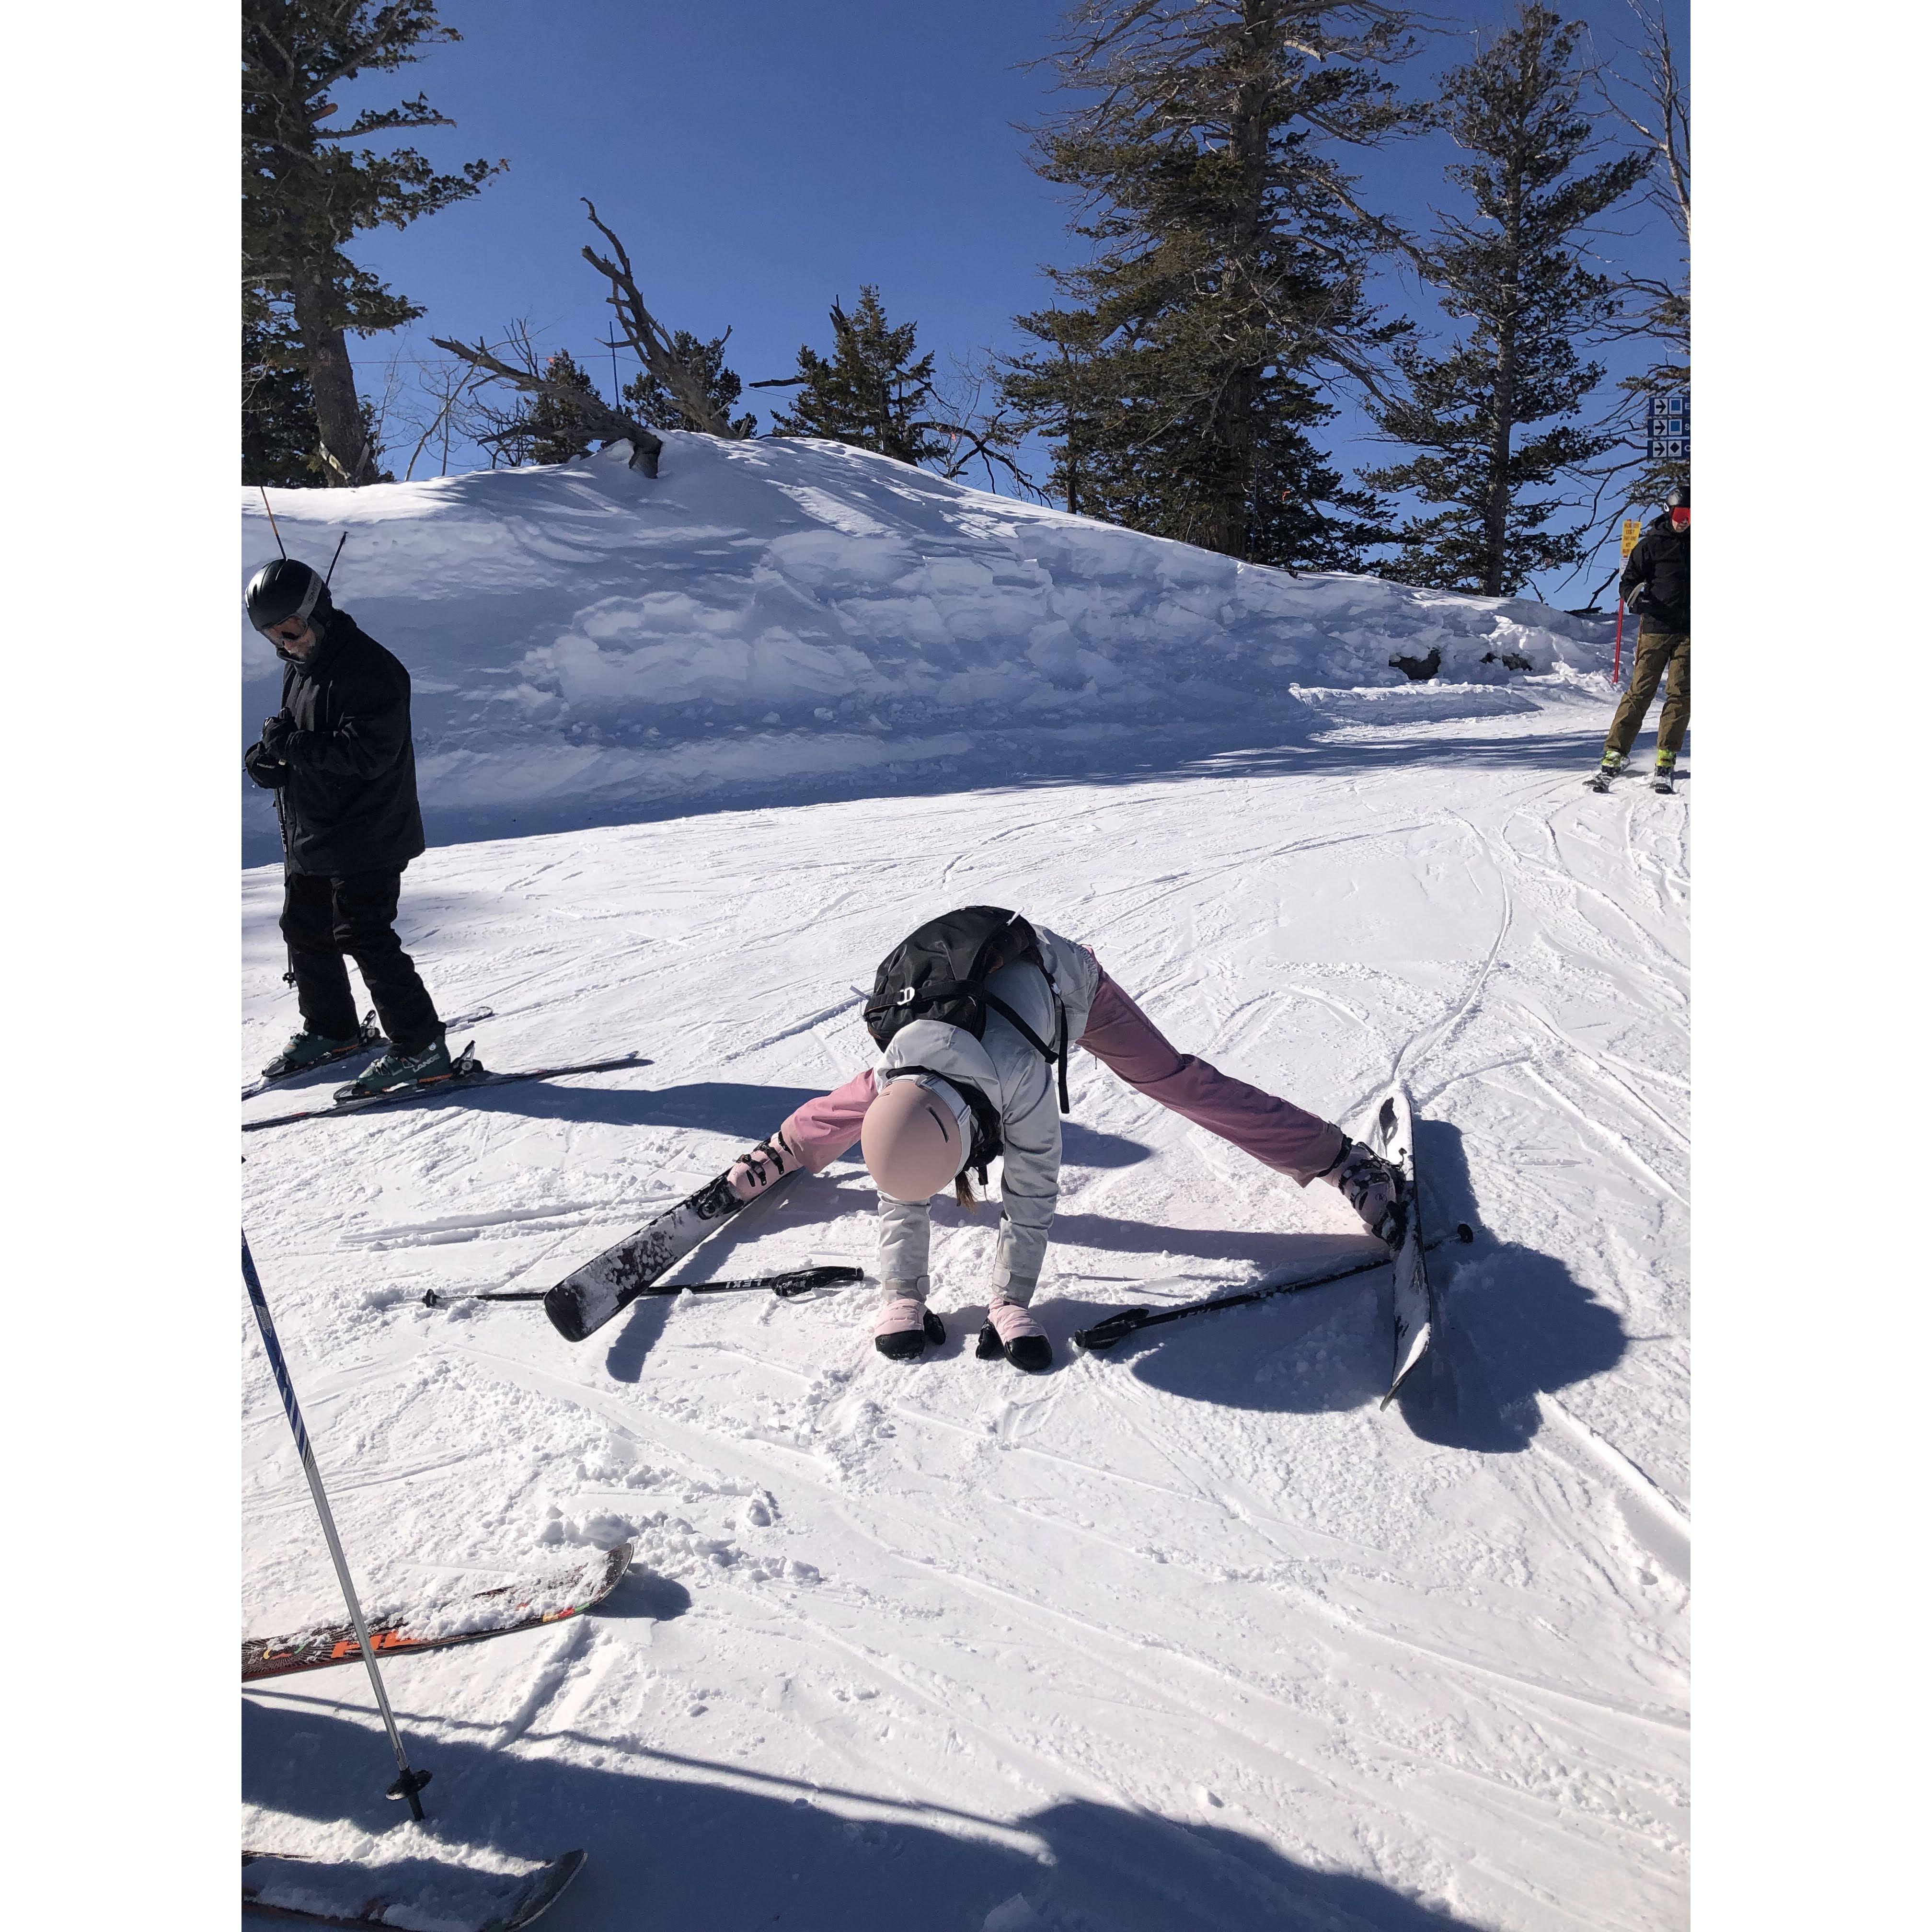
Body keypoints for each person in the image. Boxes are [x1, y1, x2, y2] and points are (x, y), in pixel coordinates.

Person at [721, 911, 1405, 1374]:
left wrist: (1010, 1300)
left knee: (1174, 1079)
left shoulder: (1020, 1078)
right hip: (949, 1014)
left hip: (1063, 981)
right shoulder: (896, 1072)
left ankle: (1340, 1160)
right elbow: (901, 1179)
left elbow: (1032, 1185)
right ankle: (784, 1148)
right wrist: (902, 1292)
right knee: (873, 1110)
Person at [243, 556, 448, 1094]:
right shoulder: (302, 665)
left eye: (290, 630)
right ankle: (332, 1029)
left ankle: (422, 1047)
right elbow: (293, 734)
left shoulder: (373, 670)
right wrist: (265, 760)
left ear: (318, 611)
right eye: (272, 636)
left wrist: (292, 746)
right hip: (315, 830)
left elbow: (366, 754)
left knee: (364, 935)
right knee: (304, 929)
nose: (284, 644)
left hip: (369, 832)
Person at [1598, 483, 1690, 786]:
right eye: (1680, 514)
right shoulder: (1652, 545)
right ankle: (1616, 752)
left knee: (1680, 694)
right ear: (1669, 512)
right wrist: (1635, 599)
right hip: (1655, 629)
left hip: (1690, 632)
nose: (1685, 520)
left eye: (1691, 515)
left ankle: (1666, 755)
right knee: (1640, 692)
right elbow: (1628, 582)